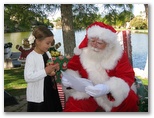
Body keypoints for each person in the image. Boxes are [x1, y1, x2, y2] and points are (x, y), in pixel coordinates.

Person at [61, 22, 139, 112]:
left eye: (99, 43)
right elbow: (72, 68)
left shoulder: (118, 54)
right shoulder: (83, 51)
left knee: (129, 99)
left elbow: (126, 75)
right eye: (92, 41)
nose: (94, 45)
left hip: (110, 94)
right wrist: (69, 79)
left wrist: (107, 88)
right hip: (87, 92)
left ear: (108, 45)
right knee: (74, 106)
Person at [24, 25, 62, 112]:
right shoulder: (31, 57)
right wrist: (45, 71)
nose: (49, 46)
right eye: (47, 43)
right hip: (38, 95)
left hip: (49, 90)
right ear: (37, 41)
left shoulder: (47, 53)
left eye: (51, 43)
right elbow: (28, 77)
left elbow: (49, 69)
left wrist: (53, 70)